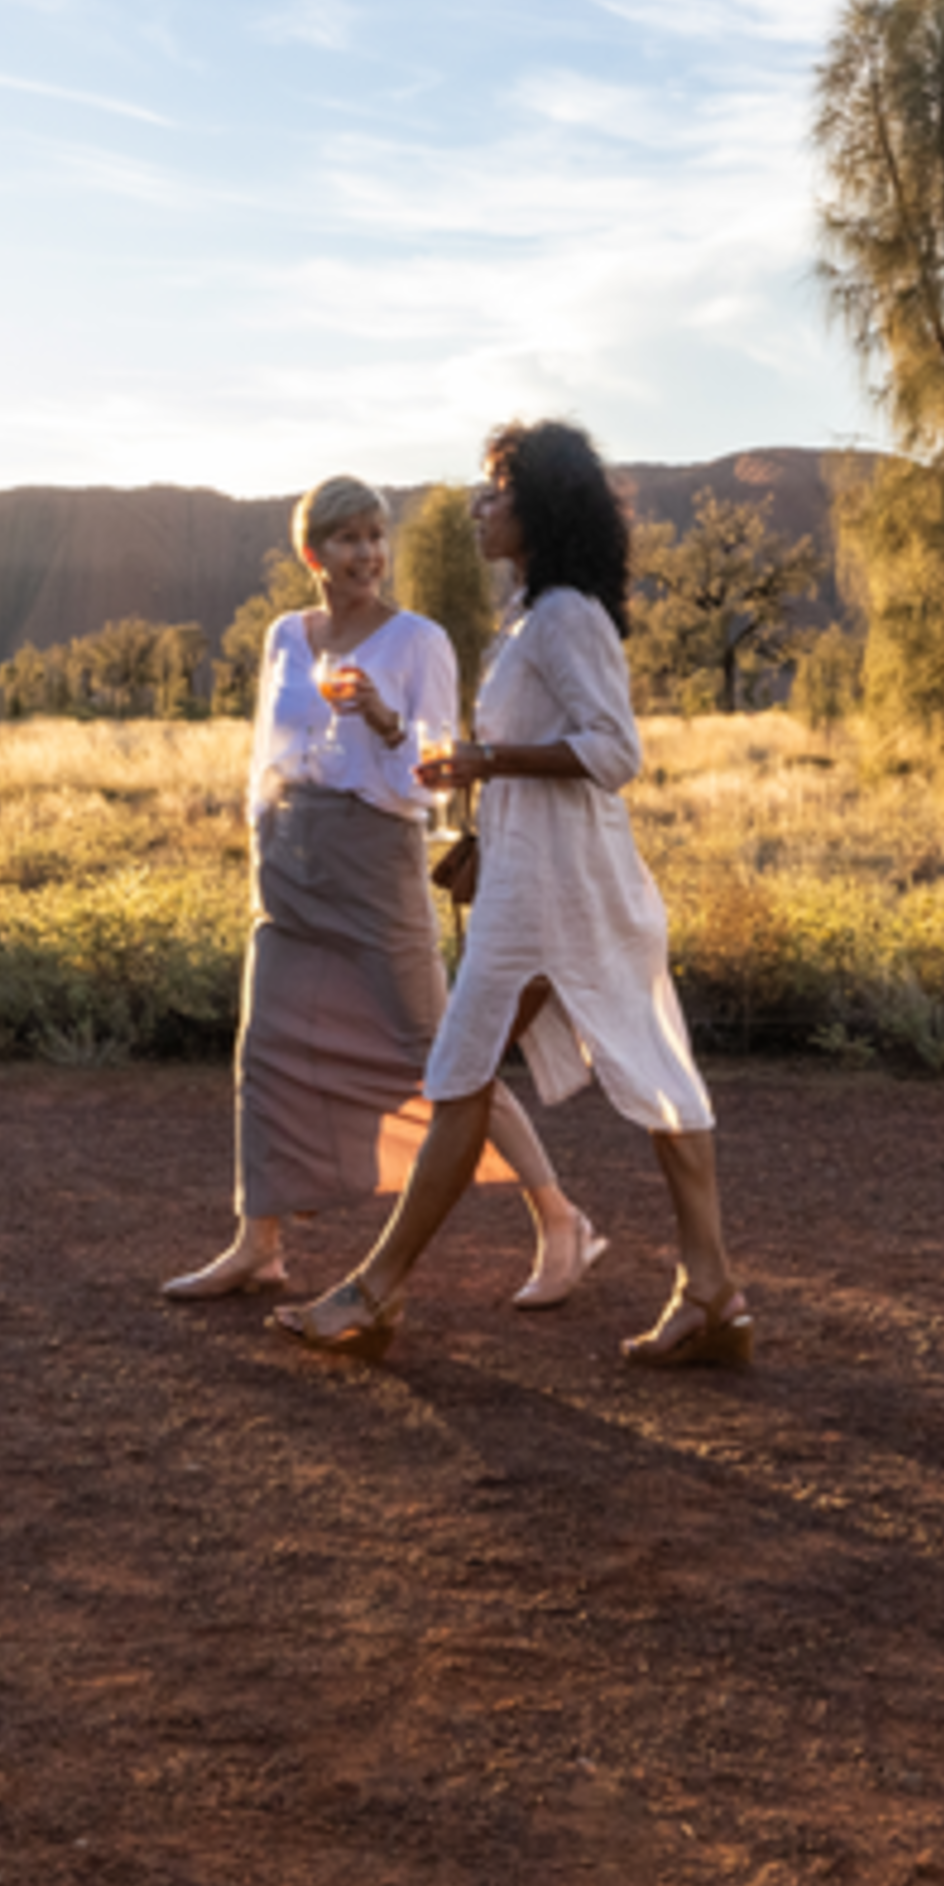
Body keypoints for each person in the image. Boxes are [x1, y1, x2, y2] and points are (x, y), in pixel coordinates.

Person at [271, 420, 754, 1370]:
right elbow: (555, 757)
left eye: (496, 490)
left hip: (563, 890)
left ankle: (377, 1291)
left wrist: (489, 761)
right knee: (627, 1069)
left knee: (467, 1073)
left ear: (540, 507)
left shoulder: (567, 613)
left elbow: (615, 753)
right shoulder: (538, 615)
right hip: (544, 879)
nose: (481, 505)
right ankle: (712, 1291)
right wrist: (488, 828)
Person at [162, 472, 604, 1308]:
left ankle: (561, 1218)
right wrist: (262, 828)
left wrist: (386, 723)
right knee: (264, 1050)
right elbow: (269, 747)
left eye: (375, 536)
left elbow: (434, 780)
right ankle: (258, 1243)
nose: (368, 553)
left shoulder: (418, 643)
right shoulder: (286, 638)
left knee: (441, 1054)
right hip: (291, 857)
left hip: (375, 858)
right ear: (313, 553)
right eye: (348, 539)